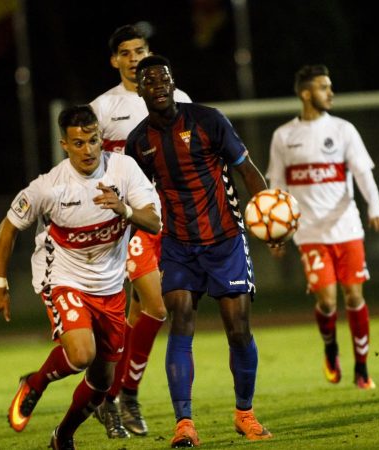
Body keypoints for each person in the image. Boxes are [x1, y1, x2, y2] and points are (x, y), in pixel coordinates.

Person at [0, 105, 161, 450]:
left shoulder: (123, 170)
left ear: (101, 138)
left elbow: (154, 222)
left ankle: (62, 437)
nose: (87, 150)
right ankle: (35, 384)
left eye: (93, 141)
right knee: (80, 355)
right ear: (64, 144)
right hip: (63, 278)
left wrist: (123, 209)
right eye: (78, 143)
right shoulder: (49, 187)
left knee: (102, 382)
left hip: (110, 286)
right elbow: (8, 228)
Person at [125, 55, 273, 447]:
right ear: (139, 90)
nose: (158, 85)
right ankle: (184, 424)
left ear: (173, 83)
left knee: (238, 330)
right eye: (149, 81)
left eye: (163, 79)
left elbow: (247, 170)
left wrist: (269, 220)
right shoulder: (137, 143)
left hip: (225, 240)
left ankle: (244, 413)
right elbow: (136, 198)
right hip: (178, 245)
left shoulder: (208, 120)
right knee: (181, 322)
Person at [88, 24, 192, 439]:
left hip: (170, 220)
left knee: (137, 316)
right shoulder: (102, 108)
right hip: (127, 223)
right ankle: (125, 394)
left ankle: (112, 395)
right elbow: (85, 164)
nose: (134, 59)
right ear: (115, 60)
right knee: (157, 306)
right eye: (126, 53)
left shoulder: (180, 100)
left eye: (140, 51)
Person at [266, 64, 379, 391]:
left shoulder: (344, 130)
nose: (330, 93)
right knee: (328, 302)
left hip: (347, 228)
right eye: (323, 87)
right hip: (309, 234)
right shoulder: (284, 136)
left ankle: (362, 367)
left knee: (354, 295)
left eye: (330, 87)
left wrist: (375, 205)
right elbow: (277, 187)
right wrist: (276, 232)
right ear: (306, 93)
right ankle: (331, 347)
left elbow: (363, 173)